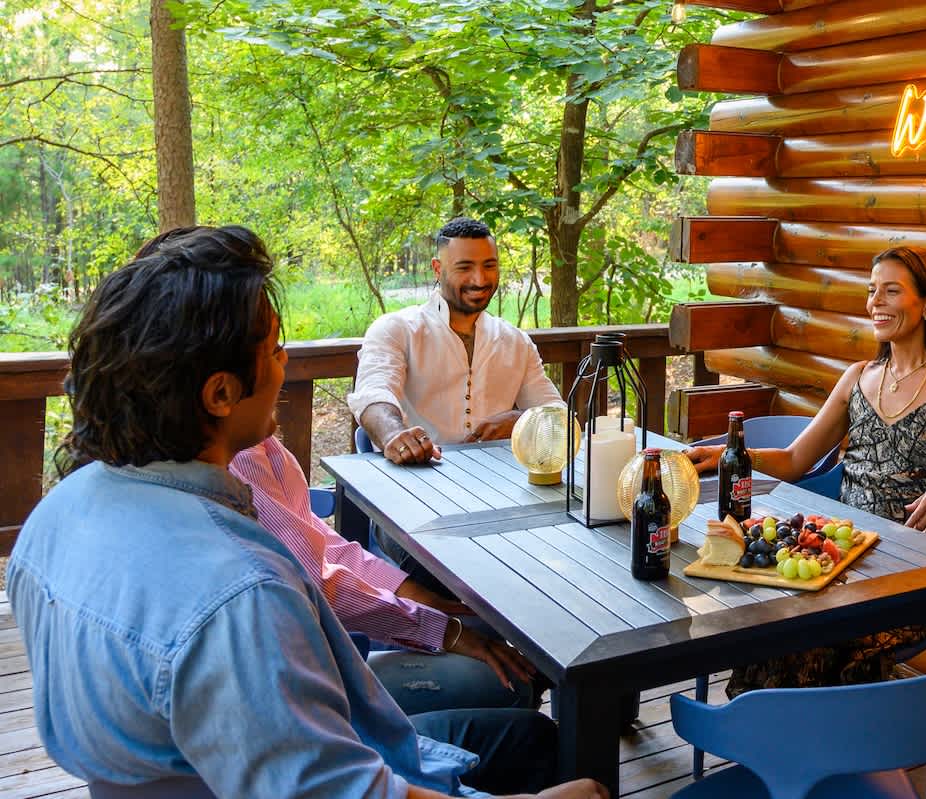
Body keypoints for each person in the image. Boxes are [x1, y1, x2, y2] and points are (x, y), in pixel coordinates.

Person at [6, 225, 604, 799]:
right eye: (273, 348)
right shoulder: (241, 594)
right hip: (267, 765)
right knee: (542, 742)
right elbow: (337, 788)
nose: (286, 359)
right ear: (220, 393)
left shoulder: (54, 517)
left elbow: (324, 552)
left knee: (513, 707)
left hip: (176, 770)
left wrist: (441, 612)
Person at [687, 245, 926, 692]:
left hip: (917, 571)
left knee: (811, 640)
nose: (875, 302)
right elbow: (795, 459)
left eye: (891, 291)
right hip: (843, 559)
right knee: (774, 626)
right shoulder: (859, 376)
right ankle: (769, 732)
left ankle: (824, 733)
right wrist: (733, 457)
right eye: (871, 291)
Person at [230, 436, 545, 714]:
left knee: (476, 627)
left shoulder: (253, 445)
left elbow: (320, 543)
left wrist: (412, 593)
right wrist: (444, 631)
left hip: (307, 642)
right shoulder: (238, 461)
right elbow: (321, 588)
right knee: (510, 680)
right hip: (289, 678)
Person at [348, 217, 562, 465]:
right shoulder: (396, 329)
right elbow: (373, 395)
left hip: (498, 476)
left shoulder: (516, 342)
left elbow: (559, 415)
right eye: (464, 267)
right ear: (437, 269)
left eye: (489, 266)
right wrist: (394, 435)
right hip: (416, 473)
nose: (479, 279)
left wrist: (523, 421)